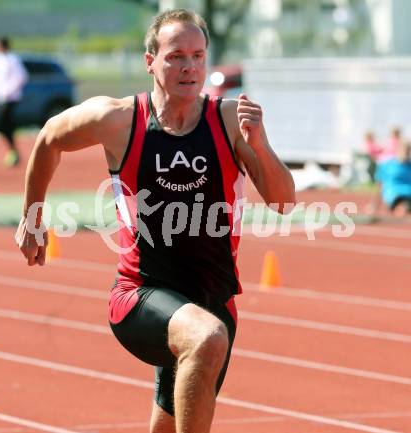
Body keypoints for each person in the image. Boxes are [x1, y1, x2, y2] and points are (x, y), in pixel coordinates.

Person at [15, 9, 295, 433]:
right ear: (150, 62)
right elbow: (50, 136)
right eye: (176, 56)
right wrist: (32, 215)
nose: (189, 67)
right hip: (140, 296)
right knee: (205, 338)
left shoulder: (230, 120)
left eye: (198, 56)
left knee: (178, 400)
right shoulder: (118, 120)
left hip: (213, 301)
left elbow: (283, 202)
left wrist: (259, 143)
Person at [0, 36, 28, 167]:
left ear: (3, 45)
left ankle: (13, 151)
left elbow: (22, 77)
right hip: (1, 97)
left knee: (1, 123)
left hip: (11, 98)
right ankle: (13, 152)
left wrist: (9, 91)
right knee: (6, 125)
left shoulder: (12, 59)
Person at [370, 141, 411, 218]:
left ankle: (404, 208)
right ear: (398, 150)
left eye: (408, 150)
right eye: (404, 150)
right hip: (394, 196)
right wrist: (374, 204)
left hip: (409, 194)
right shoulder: (387, 165)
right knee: (402, 206)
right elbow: (379, 185)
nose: (406, 153)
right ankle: (403, 208)